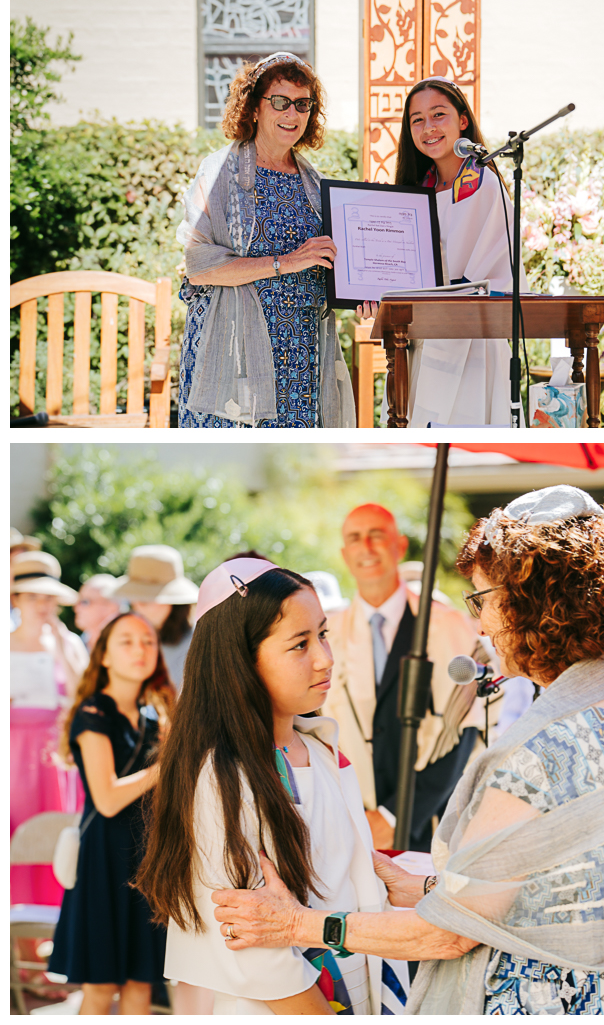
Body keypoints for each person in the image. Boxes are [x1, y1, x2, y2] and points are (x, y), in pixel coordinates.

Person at [210, 486, 604, 1015]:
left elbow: (446, 937)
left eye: (483, 600)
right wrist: (424, 884)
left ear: (535, 603)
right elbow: (568, 878)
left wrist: (296, 924)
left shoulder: (545, 751)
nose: (480, 625)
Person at [136, 558, 408, 1015]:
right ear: (239, 660)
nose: (325, 658)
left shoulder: (321, 748)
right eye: (299, 644)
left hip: (363, 988)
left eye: (322, 634)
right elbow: (252, 948)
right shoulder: (218, 775)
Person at [177, 51, 355, 428]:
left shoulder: (317, 183)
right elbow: (200, 267)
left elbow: (333, 262)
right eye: (280, 101)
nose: (292, 114)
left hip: (302, 356)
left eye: (303, 104)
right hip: (236, 354)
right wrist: (286, 262)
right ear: (254, 108)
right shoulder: (220, 171)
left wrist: (363, 288)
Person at [358, 77, 529, 427]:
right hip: (421, 340)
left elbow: (494, 271)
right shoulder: (416, 191)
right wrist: (374, 294)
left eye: (438, 114)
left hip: (473, 342)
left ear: (462, 120)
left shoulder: (485, 184)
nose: (428, 127)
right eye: (417, 120)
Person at [324, 504, 482, 852]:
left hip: (428, 824)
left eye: (377, 535)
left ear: (399, 546)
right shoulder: (327, 634)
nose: (366, 547)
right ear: (344, 554)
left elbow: (464, 728)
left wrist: (394, 816)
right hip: (348, 824)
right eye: (355, 538)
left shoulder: (448, 627)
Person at [48, 613, 174, 1014]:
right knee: (101, 989)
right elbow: (107, 799)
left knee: (141, 984)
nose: (140, 650)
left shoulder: (155, 716)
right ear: (104, 655)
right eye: (126, 641)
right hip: (104, 862)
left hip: (148, 862)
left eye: (148, 641)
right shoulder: (94, 713)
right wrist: (167, 765)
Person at [10, 552, 88, 906]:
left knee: (57, 838)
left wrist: (61, 650)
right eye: (32, 596)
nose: (42, 605)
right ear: (16, 599)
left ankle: (53, 936)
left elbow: (86, 699)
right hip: (11, 756)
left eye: (48, 597)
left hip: (55, 758)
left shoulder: (69, 643)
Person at [112, 545, 199, 691]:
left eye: (146, 599)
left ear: (174, 601)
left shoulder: (200, 644)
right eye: (135, 597)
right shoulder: (131, 640)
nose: (138, 605)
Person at [74, 574, 122, 651]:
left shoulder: (127, 646)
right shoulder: (73, 645)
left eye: (85, 602)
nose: (76, 608)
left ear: (111, 607)